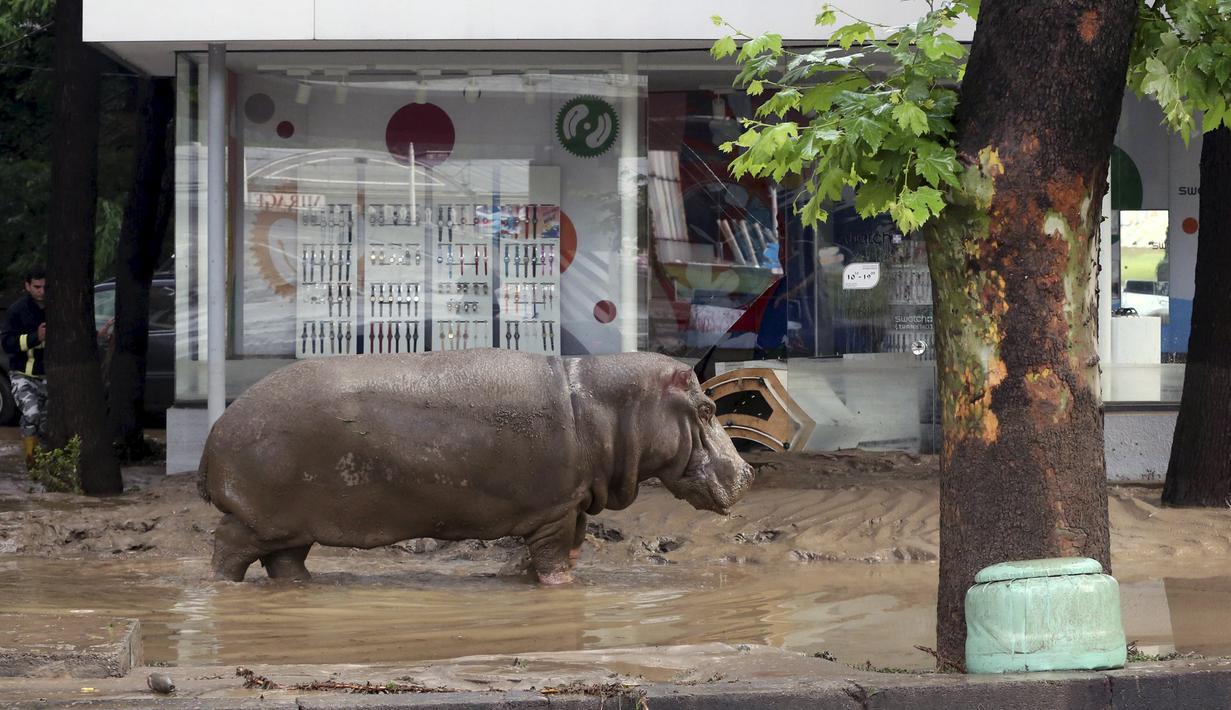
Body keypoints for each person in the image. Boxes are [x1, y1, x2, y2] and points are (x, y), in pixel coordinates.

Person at [2, 267, 47, 469]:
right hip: (23, 376)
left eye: (45, 287)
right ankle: (31, 463)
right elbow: (7, 344)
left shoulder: (58, 307)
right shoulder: (17, 311)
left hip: (50, 376)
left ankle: (47, 464)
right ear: (27, 286)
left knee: (47, 423)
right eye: (37, 287)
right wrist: (35, 337)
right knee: (32, 414)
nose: (42, 292)